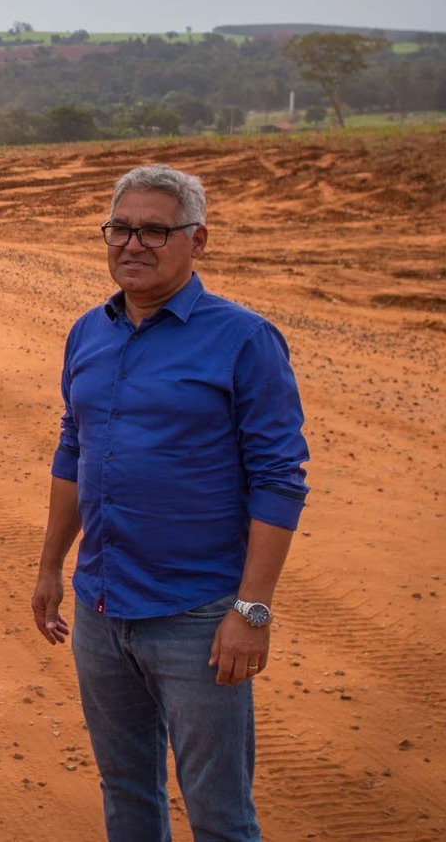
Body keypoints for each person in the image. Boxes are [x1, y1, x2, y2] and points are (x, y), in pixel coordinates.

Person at [30, 165, 311, 841]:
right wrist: (49, 567)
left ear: (198, 239)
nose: (133, 245)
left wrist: (252, 610)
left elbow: (280, 478)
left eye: (155, 230)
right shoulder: (87, 333)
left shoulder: (244, 339)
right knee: (127, 791)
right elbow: (75, 451)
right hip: (101, 609)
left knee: (218, 813)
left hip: (198, 618)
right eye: (120, 229)